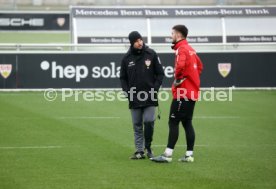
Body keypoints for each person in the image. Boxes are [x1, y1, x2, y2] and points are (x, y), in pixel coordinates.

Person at [151, 25, 203, 163]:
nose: (171, 36)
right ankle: (189, 155)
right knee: (187, 122)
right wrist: (192, 80)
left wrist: (178, 80)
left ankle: (167, 155)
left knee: (173, 122)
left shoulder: (181, 49)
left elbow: (180, 67)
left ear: (178, 35)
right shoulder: (191, 49)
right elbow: (200, 66)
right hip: (192, 92)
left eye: (172, 33)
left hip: (183, 93)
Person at [120, 31, 164, 159]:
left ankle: (148, 147)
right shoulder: (126, 58)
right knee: (137, 125)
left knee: (149, 121)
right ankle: (139, 151)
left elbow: (160, 73)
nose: (140, 43)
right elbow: (123, 78)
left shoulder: (151, 54)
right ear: (132, 43)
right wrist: (127, 92)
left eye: (140, 40)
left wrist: (155, 88)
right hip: (134, 96)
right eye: (137, 41)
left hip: (149, 95)